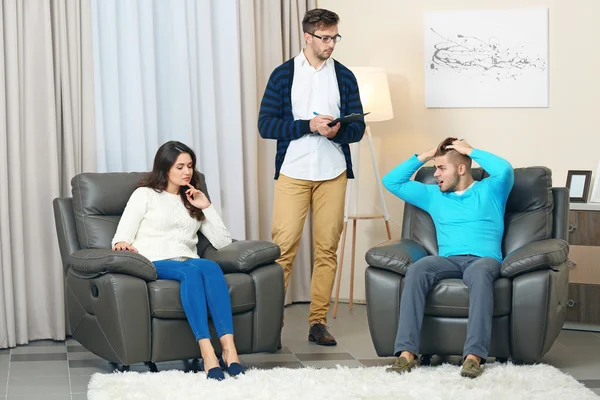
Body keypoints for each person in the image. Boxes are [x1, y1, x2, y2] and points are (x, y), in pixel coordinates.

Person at [258, 8, 365, 346]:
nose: (331, 44)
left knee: (327, 249)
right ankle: (270, 324)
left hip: (332, 171)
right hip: (293, 170)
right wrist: (308, 125)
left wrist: (337, 132)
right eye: (325, 38)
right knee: (283, 249)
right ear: (307, 37)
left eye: (335, 37)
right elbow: (266, 125)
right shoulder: (283, 75)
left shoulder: (345, 76)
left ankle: (317, 321)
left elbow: (358, 127)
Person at [111, 141, 244, 381]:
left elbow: (223, 242)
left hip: (188, 260)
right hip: (153, 261)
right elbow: (122, 235)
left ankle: (229, 349)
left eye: (190, 166)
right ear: (165, 168)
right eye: (180, 166)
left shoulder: (191, 199)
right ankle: (207, 352)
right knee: (191, 272)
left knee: (210, 266)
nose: (187, 172)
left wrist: (207, 207)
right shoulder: (145, 195)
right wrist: (121, 244)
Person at [382, 137, 514, 378]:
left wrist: (470, 151)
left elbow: (504, 169)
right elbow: (391, 181)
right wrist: (427, 154)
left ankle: (473, 356)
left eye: (441, 168)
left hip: (483, 259)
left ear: (461, 169)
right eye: (435, 168)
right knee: (418, 269)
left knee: (480, 273)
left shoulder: (491, 190)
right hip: (448, 260)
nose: (435, 174)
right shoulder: (434, 195)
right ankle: (406, 354)